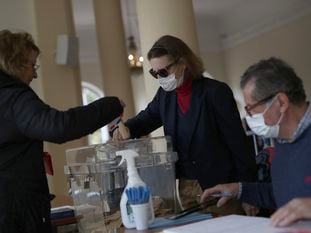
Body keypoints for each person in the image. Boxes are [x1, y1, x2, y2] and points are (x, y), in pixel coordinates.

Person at [112, 35, 257, 213]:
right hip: (184, 189)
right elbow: (146, 118)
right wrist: (126, 128)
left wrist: (249, 191)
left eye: (164, 72)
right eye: (155, 73)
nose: (160, 78)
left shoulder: (215, 92)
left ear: (183, 62)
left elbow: (239, 145)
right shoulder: (165, 95)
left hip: (221, 188)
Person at [0, 30, 124, 233]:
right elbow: (59, 126)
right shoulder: (14, 98)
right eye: (32, 65)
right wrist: (111, 105)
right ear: (16, 63)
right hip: (14, 211)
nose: (35, 73)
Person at [200, 57, 311, 226]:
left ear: (281, 103)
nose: (249, 117)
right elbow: (284, 196)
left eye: (251, 109)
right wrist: (238, 189)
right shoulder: (283, 141)